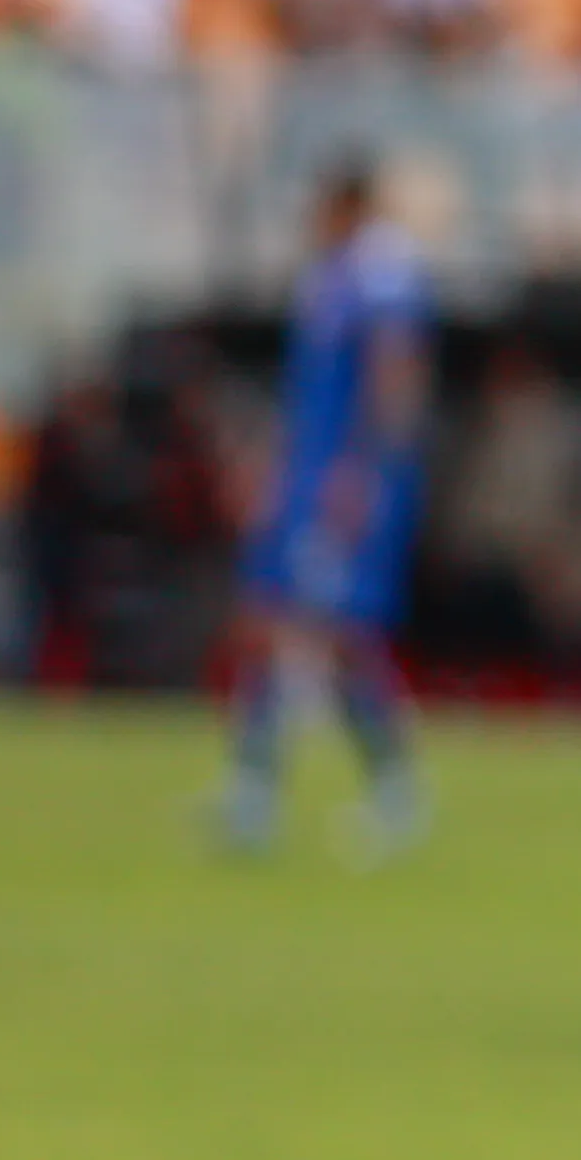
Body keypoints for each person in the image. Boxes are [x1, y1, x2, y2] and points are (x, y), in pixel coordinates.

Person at [208, 158, 438, 859]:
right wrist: (277, 467)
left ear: (346, 203)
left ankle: (389, 789)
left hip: (346, 481)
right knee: (269, 618)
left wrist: (367, 471)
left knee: (332, 635)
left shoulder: (383, 272)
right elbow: (310, 391)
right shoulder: (329, 276)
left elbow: (396, 376)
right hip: (309, 477)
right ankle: (255, 790)